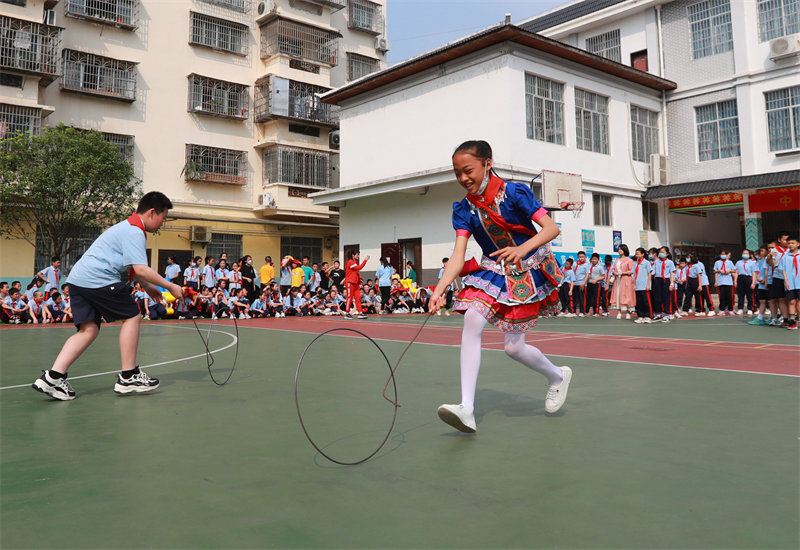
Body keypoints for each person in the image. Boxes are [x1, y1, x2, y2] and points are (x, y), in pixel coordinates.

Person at [429, 140, 570, 434]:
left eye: (468, 170)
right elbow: (458, 255)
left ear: (487, 164)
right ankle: (466, 408)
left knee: (513, 348)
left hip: (527, 270)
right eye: (457, 173)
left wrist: (521, 250)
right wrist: (440, 288)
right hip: (493, 269)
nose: (463, 178)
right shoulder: (463, 209)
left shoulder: (515, 193)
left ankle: (557, 376)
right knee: (472, 318)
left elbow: (551, 228)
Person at [32, 192, 183, 401]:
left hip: (78, 281)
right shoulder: (134, 231)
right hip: (98, 279)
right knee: (132, 315)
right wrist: (171, 286)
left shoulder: (126, 227)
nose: (162, 223)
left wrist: (148, 287)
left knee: (88, 330)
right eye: (163, 218)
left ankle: (53, 378)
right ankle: (128, 377)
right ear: (151, 212)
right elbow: (141, 268)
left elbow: (134, 269)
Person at [779, 236, 799, 330]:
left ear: (798, 244)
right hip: (790, 283)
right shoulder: (785, 257)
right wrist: (786, 281)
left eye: (793, 243)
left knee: (799, 303)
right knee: (791, 301)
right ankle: (792, 322)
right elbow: (783, 270)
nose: (791, 245)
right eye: (789, 243)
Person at [611, 244, 635, 319]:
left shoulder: (629, 260)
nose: (619, 251)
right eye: (618, 249)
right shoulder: (616, 260)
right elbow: (613, 269)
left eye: (621, 249)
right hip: (617, 279)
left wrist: (623, 273)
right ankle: (619, 312)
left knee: (626, 295)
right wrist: (614, 272)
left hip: (626, 279)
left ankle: (628, 312)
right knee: (617, 294)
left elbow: (631, 271)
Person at [652, 246, 676, 321]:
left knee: (666, 297)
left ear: (667, 253)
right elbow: (653, 271)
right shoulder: (656, 262)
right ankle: (658, 313)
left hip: (666, 280)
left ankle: (667, 313)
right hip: (658, 279)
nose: (661, 254)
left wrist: (671, 284)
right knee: (657, 297)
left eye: (663, 252)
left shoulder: (670, 262)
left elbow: (672, 273)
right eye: (660, 252)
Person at [344, 250, 369, 319]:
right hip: (350, 283)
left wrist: (359, 281)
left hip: (356, 284)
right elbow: (359, 267)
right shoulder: (350, 262)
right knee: (350, 298)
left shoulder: (355, 263)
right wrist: (365, 260)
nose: (358, 256)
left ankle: (360, 313)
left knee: (358, 298)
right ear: (353, 255)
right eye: (357, 255)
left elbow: (357, 273)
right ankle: (347, 313)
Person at [632, 247, 653, 323]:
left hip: (644, 285)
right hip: (637, 285)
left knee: (646, 301)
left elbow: (649, 273)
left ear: (643, 254)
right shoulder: (635, 263)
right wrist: (634, 284)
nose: (636, 255)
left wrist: (648, 284)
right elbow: (634, 274)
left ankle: (648, 316)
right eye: (636, 254)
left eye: (638, 254)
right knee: (639, 302)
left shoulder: (646, 263)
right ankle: (640, 316)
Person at [713, 250, 736, 315]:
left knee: (729, 296)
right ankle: (722, 309)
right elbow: (714, 272)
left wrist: (729, 271)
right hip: (720, 281)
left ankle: (730, 309)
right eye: (722, 254)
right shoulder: (717, 262)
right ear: (720, 255)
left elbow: (734, 270)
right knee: (722, 296)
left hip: (728, 281)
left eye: (724, 254)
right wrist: (719, 272)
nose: (723, 256)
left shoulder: (730, 262)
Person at [572, 251, 590, 317]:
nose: (581, 258)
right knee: (574, 298)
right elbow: (572, 273)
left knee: (582, 298)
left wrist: (583, 283)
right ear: (578, 257)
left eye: (582, 257)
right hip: (575, 284)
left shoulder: (586, 265)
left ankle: (582, 311)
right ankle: (573, 312)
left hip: (582, 284)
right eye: (580, 257)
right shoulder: (574, 264)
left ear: (585, 257)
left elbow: (587, 275)